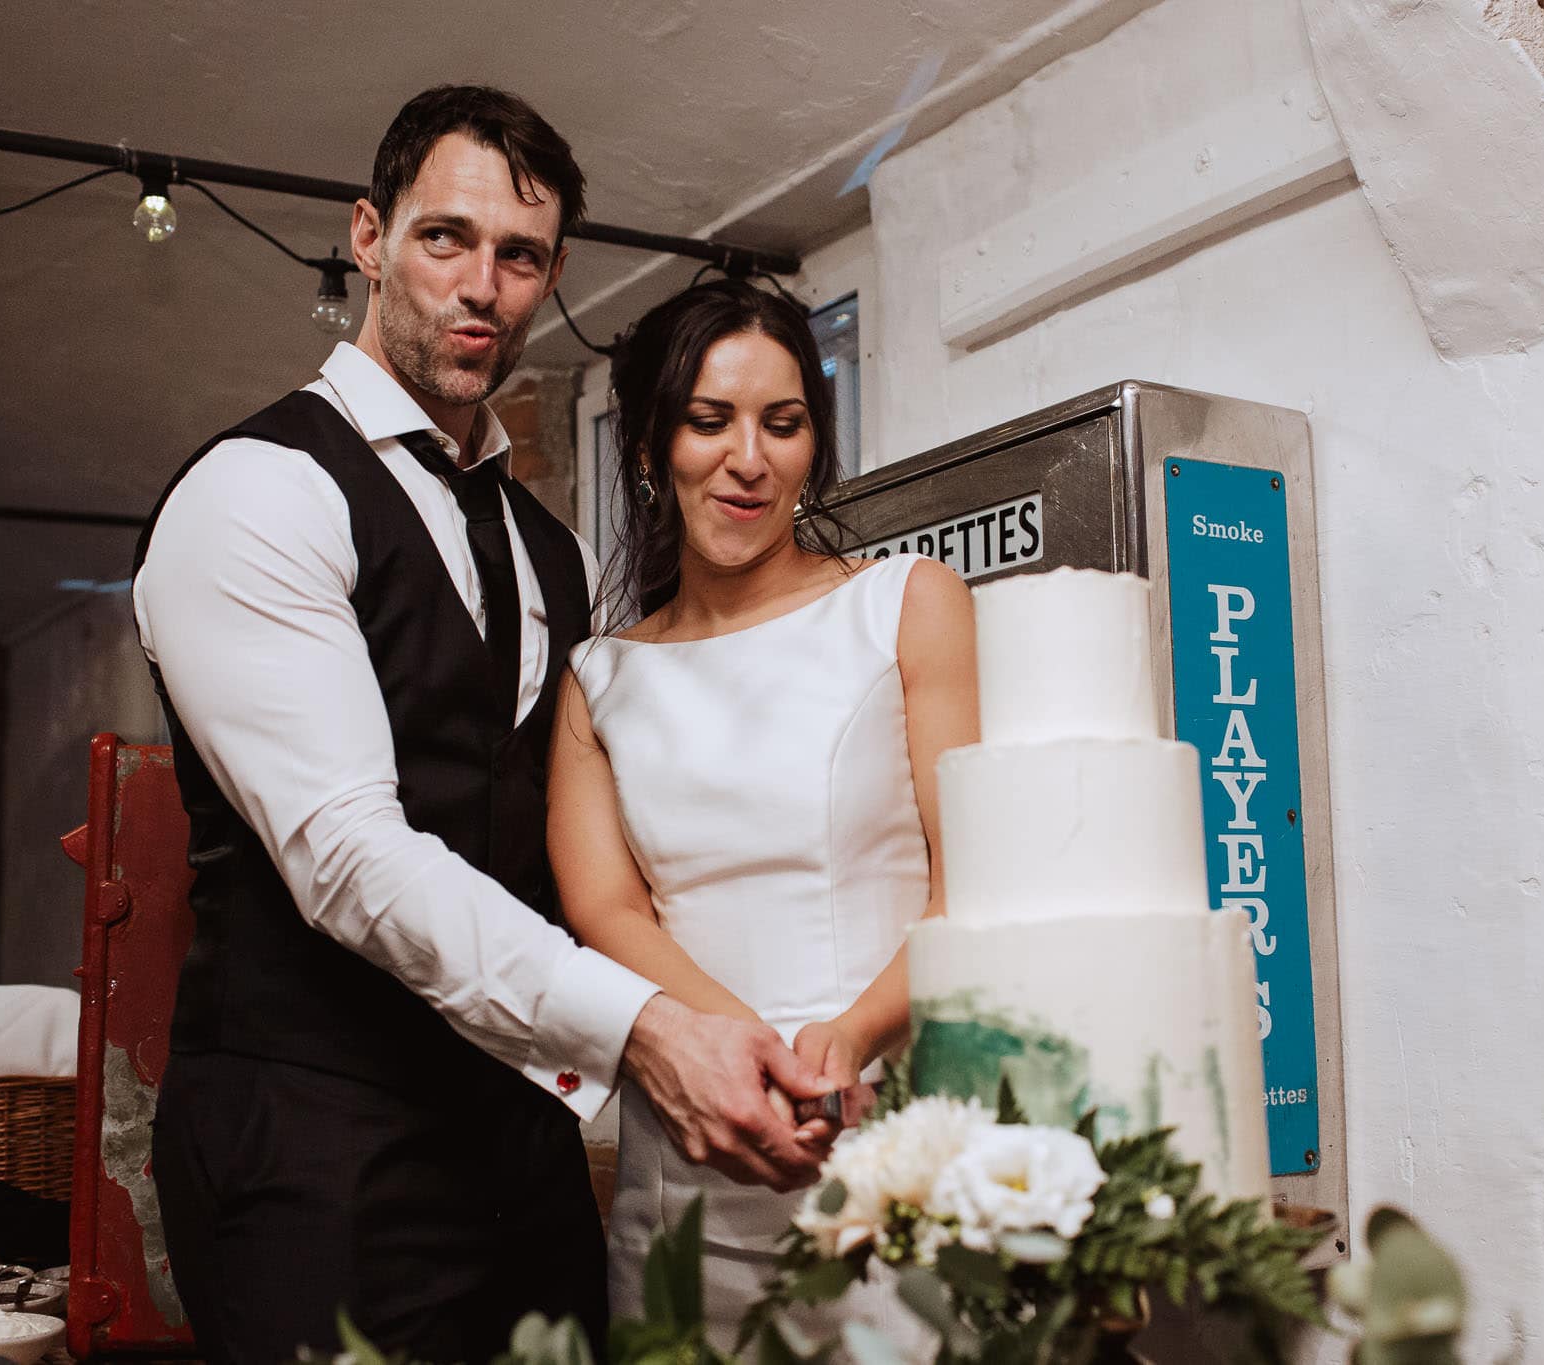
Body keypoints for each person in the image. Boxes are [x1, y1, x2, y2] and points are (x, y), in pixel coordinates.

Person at [131, 88, 833, 1365]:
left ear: (551, 273)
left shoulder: (549, 551)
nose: (480, 286)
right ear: (366, 236)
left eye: (518, 256)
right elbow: (346, 853)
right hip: (312, 1140)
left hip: (516, 1148)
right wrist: (642, 1032)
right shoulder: (258, 492)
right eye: (442, 237)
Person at [547, 279, 979, 1348]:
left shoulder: (906, 604)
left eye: (781, 424)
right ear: (650, 446)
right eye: (709, 421)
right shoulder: (598, 677)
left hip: (884, 1132)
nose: (749, 458)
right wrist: (741, 1053)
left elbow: (973, 879)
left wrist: (845, 1040)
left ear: (812, 447)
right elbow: (607, 911)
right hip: (686, 1161)